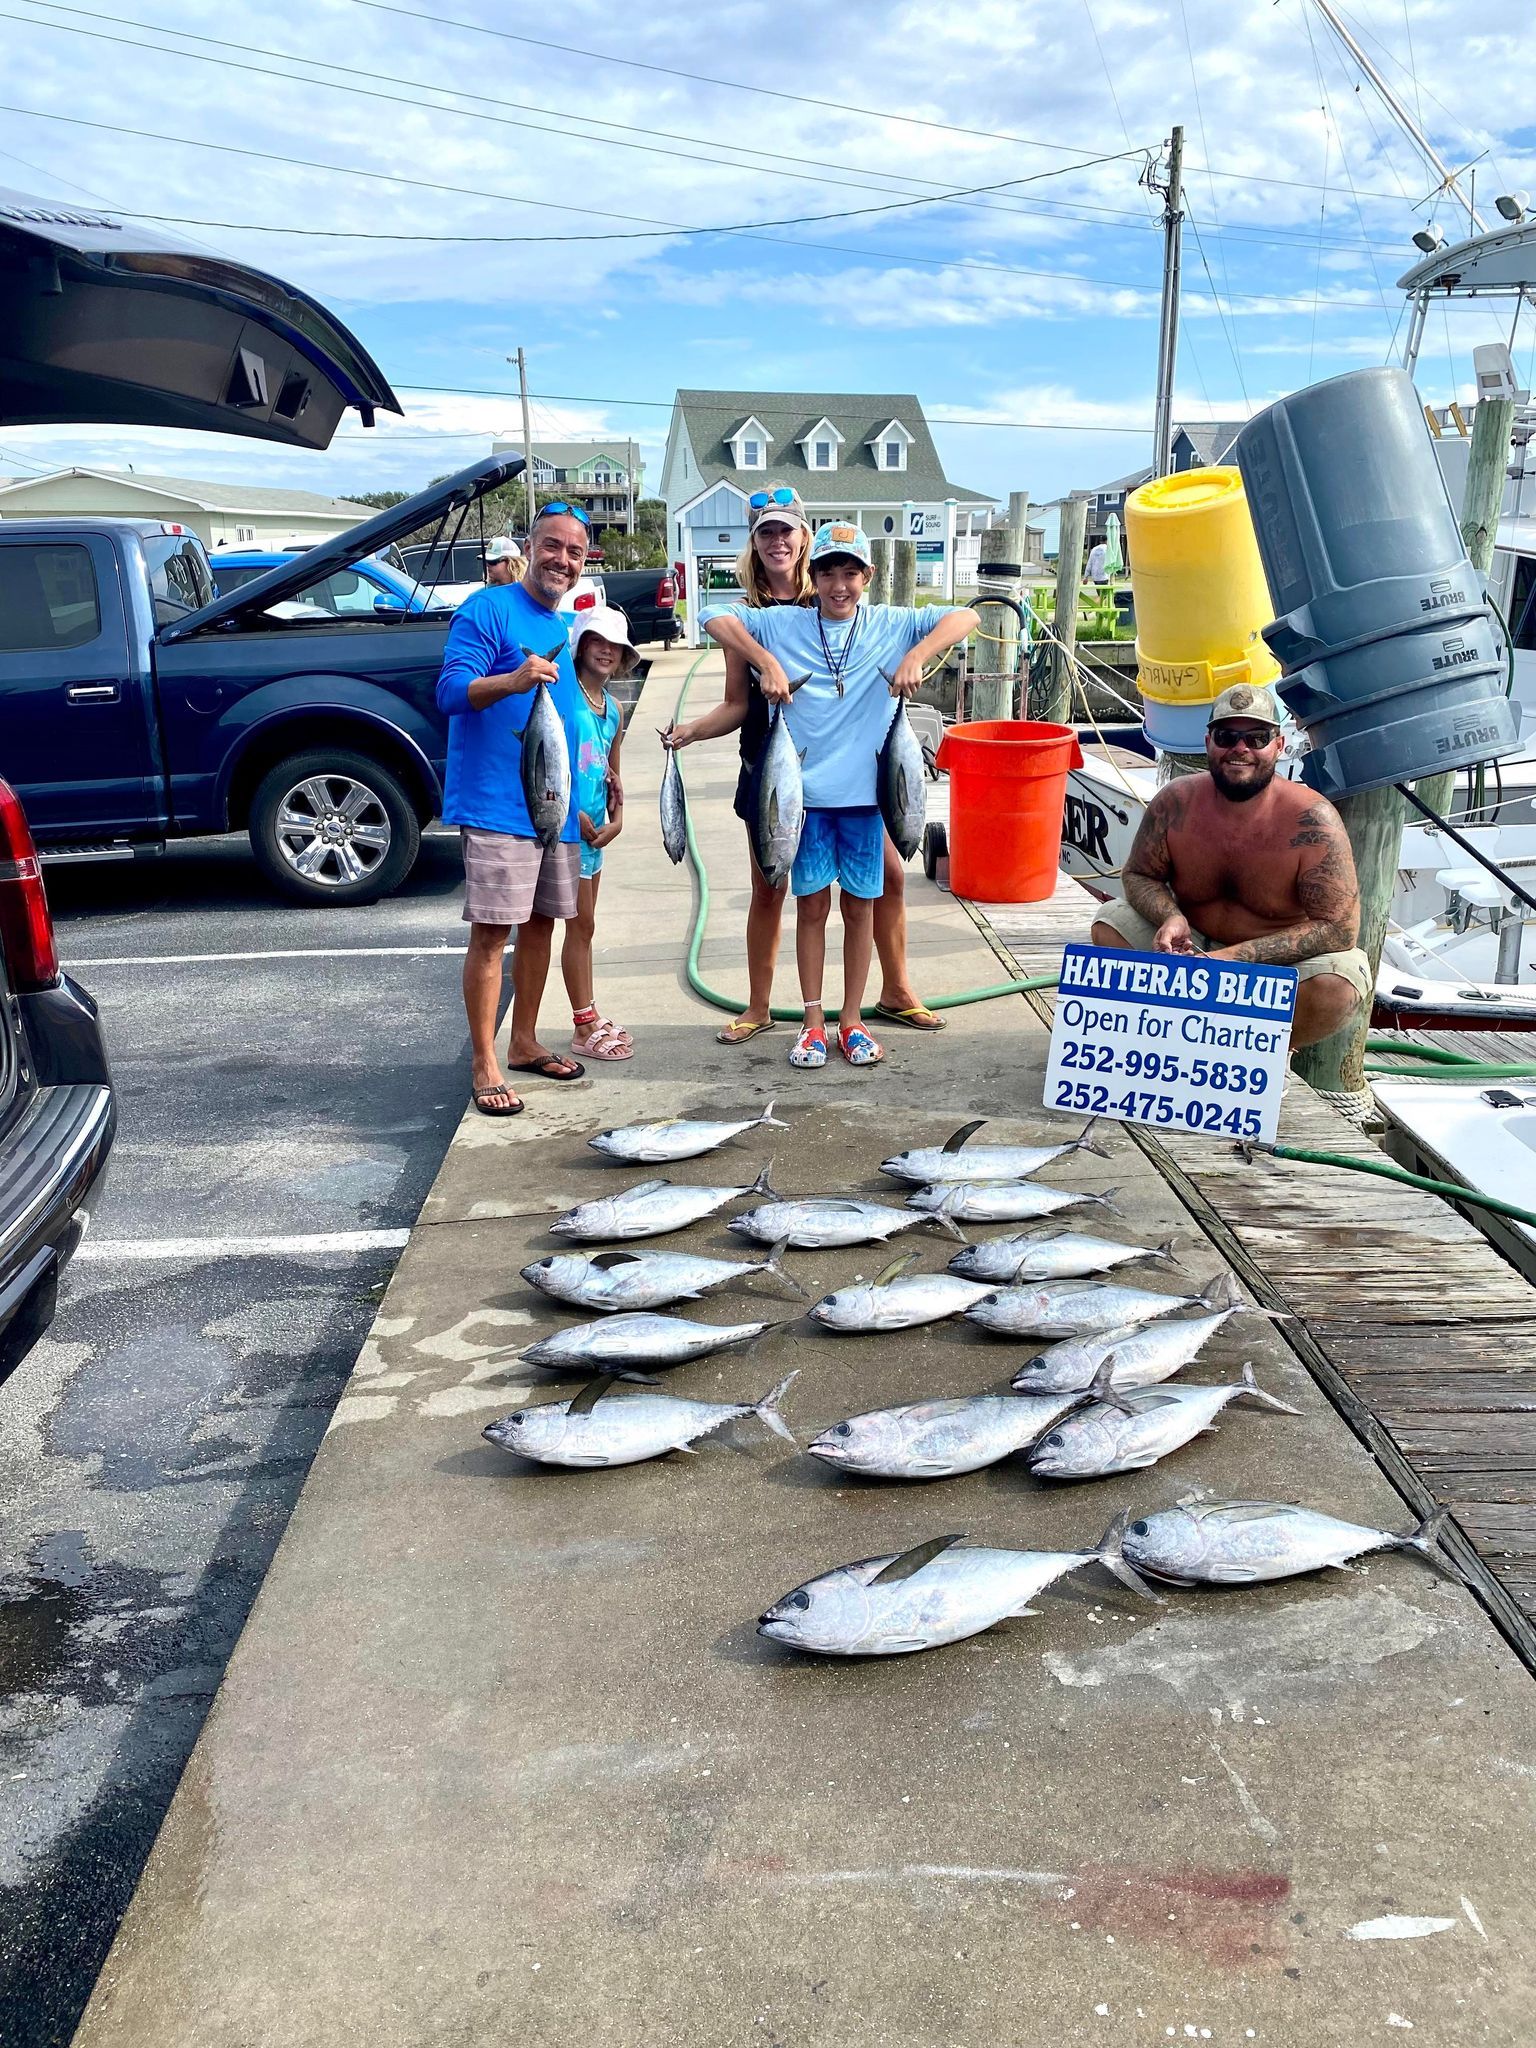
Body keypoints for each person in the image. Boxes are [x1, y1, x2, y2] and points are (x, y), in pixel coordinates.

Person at [665, 485, 943, 1043]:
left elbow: (936, 627)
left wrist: (914, 656)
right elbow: (737, 704)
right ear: (755, 543)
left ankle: (894, 989)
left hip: (848, 774)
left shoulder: (845, 608)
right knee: (772, 884)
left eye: (785, 531)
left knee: (886, 875)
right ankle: (759, 1005)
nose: (776, 542)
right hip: (771, 767)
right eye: (765, 533)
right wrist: (693, 731)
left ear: (804, 541)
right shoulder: (752, 620)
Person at [704, 523, 978, 1069]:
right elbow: (712, 618)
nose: (838, 585)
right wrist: (769, 661)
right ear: (813, 575)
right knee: (810, 909)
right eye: (827, 572)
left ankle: (850, 1020)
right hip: (804, 800)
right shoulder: (785, 622)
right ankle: (811, 1022)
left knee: (860, 908)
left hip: (864, 801)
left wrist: (916, 654)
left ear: (867, 577)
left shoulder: (891, 622)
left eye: (850, 573)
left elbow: (966, 616)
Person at [1090, 683, 1371, 1049]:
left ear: (1279, 745)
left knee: (1338, 985)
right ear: (1208, 742)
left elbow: (1338, 931)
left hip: (1276, 963)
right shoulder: (1175, 801)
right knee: (1110, 923)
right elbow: (1141, 874)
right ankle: (1167, 1038)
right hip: (1191, 946)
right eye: (1227, 736)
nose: (1240, 749)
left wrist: (1233, 959)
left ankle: (1269, 1056)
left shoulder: (1314, 820)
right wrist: (1171, 917)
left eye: (1256, 738)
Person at [435, 504, 594, 1116]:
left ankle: (525, 1041)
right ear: (530, 548)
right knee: (494, 933)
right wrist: (514, 680)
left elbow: (568, 722)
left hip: (554, 809)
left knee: (543, 926)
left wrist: (590, 786)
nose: (561, 559)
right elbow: (451, 692)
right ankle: (485, 1062)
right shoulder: (487, 609)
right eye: (551, 546)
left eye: (574, 552)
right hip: (500, 806)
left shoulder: (562, 622)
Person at [562, 605, 634, 1062]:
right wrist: (572, 815)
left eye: (615, 645)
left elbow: (612, 773)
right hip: (568, 830)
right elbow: (548, 762)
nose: (605, 650)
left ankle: (589, 1010)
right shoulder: (564, 698)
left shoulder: (613, 709)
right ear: (581, 645)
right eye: (597, 640)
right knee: (579, 924)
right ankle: (582, 1022)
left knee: (587, 925)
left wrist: (617, 819)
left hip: (594, 834)